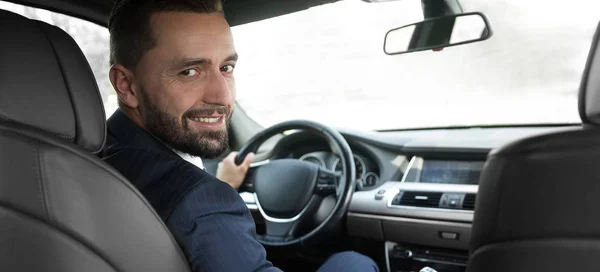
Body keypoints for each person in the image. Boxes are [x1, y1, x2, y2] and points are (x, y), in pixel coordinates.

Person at [101, 0, 379, 271]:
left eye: (226, 68)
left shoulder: (92, 152)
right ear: (126, 86)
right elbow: (193, 207)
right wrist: (215, 194)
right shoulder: (201, 202)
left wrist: (222, 185)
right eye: (189, 71)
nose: (223, 96)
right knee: (355, 262)